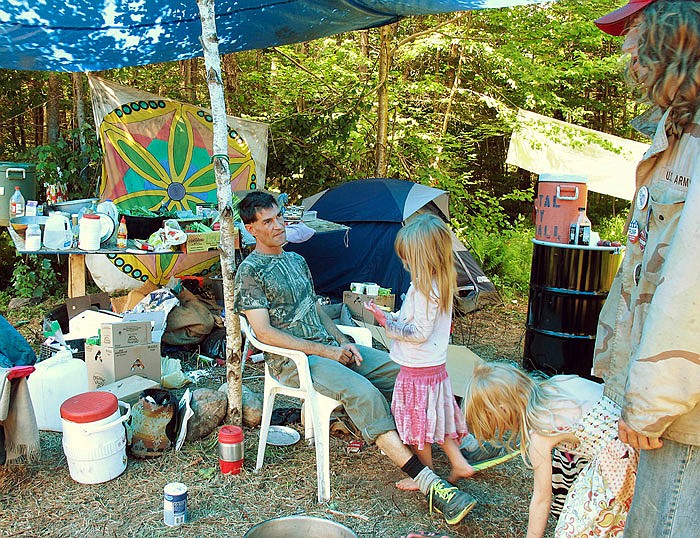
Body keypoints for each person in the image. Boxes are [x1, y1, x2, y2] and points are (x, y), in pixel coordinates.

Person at [233, 191, 477, 524]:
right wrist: (327, 351)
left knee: (403, 372)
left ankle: (462, 443)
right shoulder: (250, 271)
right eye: (267, 222)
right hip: (295, 362)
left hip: (328, 348)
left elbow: (314, 310)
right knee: (363, 394)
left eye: (278, 217)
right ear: (251, 229)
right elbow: (264, 333)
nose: (278, 226)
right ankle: (428, 481)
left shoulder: (295, 260)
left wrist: (342, 341)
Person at [593, 2, 700, 536]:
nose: (625, 50)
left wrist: (651, 403)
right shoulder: (676, 133)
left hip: (686, 417)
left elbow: (691, 290)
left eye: (634, 31)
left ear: (672, 37)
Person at [463, 360, 638, 538]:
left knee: (574, 531)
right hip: (636, 430)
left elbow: (541, 498)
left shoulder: (541, 434)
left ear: (503, 410)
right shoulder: (560, 383)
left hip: (621, 464)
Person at [363, 214, 474, 491]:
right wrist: (387, 316)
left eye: (408, 258)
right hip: (432, 368)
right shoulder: (438, 283)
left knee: (417, 427)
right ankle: (459, 462)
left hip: (418, 370)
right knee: (434, 416)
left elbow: (419, 333)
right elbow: (414, 320)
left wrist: (390, 326)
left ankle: (425, 475)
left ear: (423, 256)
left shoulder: (426, 289)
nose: (404, 263)